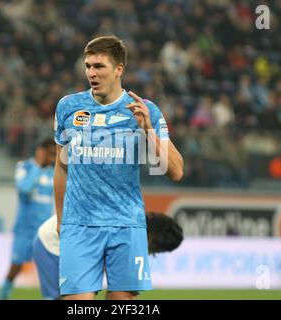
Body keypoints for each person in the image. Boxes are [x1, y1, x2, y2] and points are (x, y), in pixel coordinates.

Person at [53, 35, 184, 300]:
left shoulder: (145, 110)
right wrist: (60, 218)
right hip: (79, 225)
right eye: (88, 66)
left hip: (126, 224)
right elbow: (61, 167)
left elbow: (176, 171)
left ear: (118, 69)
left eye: (99, 66)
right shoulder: (68, 107)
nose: (91, 72)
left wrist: (147, 130)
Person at [32, 212, 184, 300]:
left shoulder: (132, 221)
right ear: (153, 236)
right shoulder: (129, 232)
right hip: (52, 245)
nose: (151, 253)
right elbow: (119, 291)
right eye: (156, 248)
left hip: (69, 240)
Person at [0, 138, 56, 300]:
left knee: (49, 270)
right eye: (50, 154)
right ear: (41, 151)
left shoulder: (54, 172)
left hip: (44, 232)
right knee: (15, 268)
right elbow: (24, 188)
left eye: (55, 154)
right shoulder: (24, 167)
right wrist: (37, 166)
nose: (53, 158)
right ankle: (3, 297)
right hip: (24, 229)